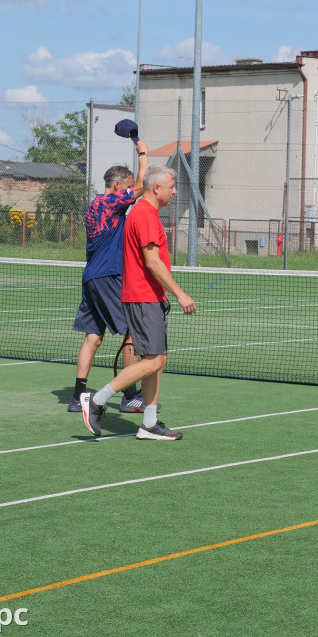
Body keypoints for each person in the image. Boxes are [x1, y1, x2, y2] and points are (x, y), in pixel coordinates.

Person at [81, 166, 196, 440]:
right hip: (143, 297)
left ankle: (150, 424)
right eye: (172, 185)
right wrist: (180, 293)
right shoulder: (144, 214)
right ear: (156, 188)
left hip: (150, 297)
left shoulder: (146, 213)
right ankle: (97, 400)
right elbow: (152, 261)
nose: (175, 190)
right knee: (153, 360)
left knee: (157, 359)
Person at [68, 131, 152, 413]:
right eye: (125, 188)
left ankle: (77, 397)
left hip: (91, 277)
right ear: (116, 186)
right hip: (107, 277)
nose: (129, 193)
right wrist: (141, 152)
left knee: (93, 336)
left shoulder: (94, 204)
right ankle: (130, 396)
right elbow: (142, 186)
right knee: (132, 332)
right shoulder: (109, 202)